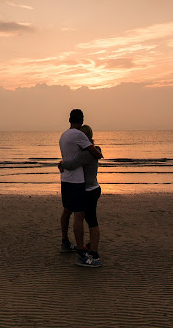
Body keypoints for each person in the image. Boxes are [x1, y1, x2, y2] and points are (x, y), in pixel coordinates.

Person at [58, 109, 102, 268]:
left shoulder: (64, 135)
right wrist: (97, 152)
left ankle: (67, 242)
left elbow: (71, 161)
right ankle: (82, 252)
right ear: (82, 120)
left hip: (68, 181)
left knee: (69, 211)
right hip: (78, 183)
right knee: (80, 215)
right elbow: (95, 153)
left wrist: (62, 164)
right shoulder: (79, 136)